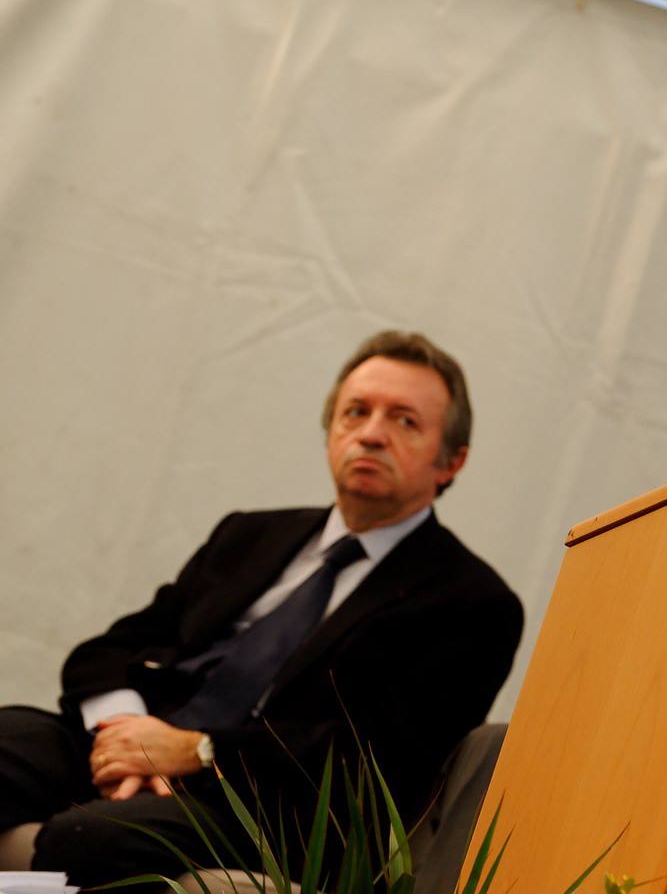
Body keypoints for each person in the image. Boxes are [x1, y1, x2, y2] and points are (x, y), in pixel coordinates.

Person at [0, 331, 524, 885]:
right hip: (134, 741)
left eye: (404, 421)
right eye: (356, 412)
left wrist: (195, 750)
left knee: (97, 834)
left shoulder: (473, 602)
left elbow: (383, 759)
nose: (371, 434)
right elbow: (113, 648)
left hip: (261, 805)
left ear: (452, 461)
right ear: (330, 430)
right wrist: (126, 732)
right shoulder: (250, 534)